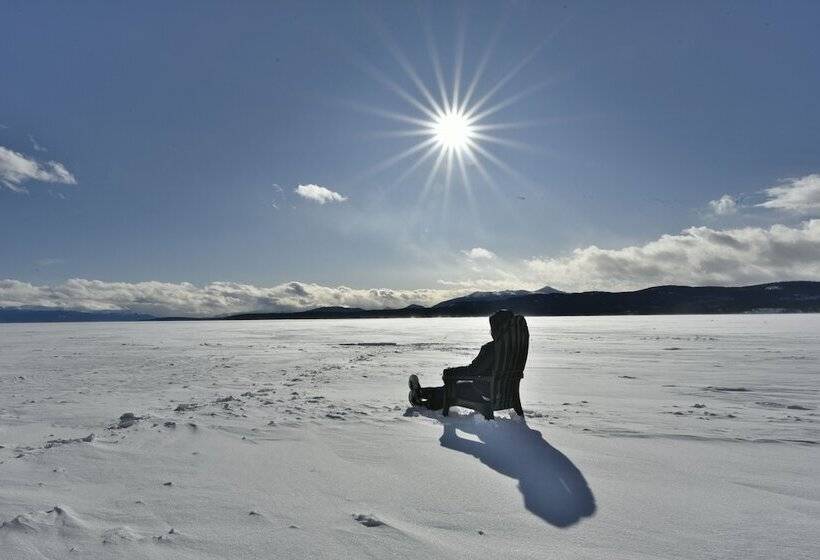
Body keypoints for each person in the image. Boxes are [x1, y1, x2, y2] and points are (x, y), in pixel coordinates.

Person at [408, 309, 515, 410]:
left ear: (498, 328)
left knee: (454, 388)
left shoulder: (491, 348)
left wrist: (451, 372)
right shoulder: (516, 348)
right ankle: (421, 392)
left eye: (492, 328)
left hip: (486, 391)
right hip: (505, 391)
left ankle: (422, 402)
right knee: (459, 386)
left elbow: (473, 370)